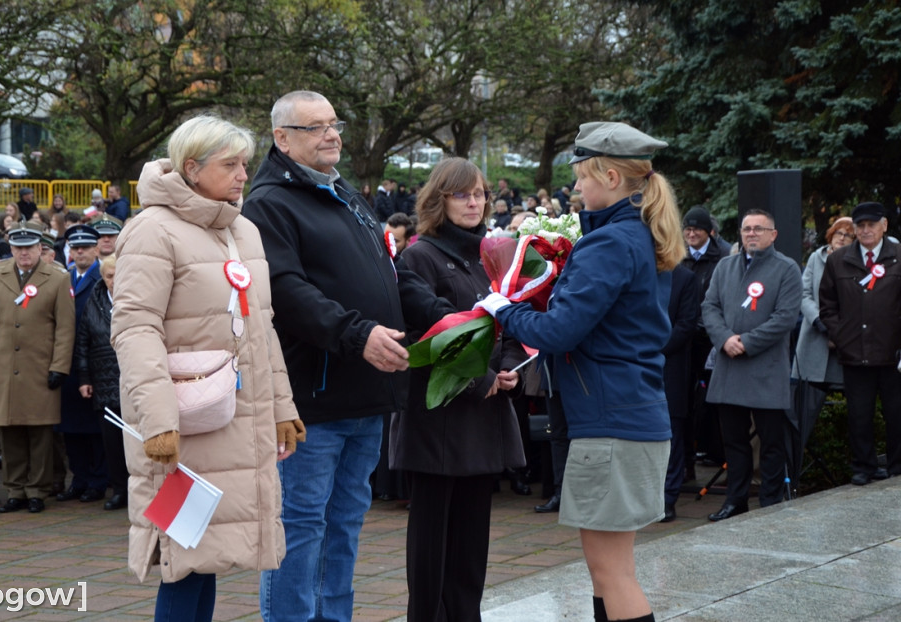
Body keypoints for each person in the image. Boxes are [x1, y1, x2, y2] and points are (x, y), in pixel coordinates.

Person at [242, 91, 451, 622]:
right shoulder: (269, 202)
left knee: (345, 526)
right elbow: (286, 293)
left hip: (367, 394)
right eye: (315, 127)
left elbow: (390, 275)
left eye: (334, 123)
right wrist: (357, 335)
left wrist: (452, 315)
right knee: (303, 527)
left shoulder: (345, 193)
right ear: (282, 139)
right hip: (314, 401)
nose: (331, 134)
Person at [475, 121, 683, 622]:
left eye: (582, 178)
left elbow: (561, 332)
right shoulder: (632, 235)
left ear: (611, 177)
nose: (576, 189)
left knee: (613, 573)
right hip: (627, 415)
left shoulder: (611, 242)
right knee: (608, 570)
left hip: (611, 421)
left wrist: (503, 308)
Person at [111, 114, 303, 622]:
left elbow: (262, 328)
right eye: (231, 164)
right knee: (182, 556)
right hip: (184, 423)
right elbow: (135, 330)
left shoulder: (242, 229)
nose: (244, 174)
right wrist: (158, 421)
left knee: (207, 557)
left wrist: (282, 407)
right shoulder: (151, 231)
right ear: (191, 168)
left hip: (236, 419)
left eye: (245, 162)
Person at [389, 158, 525, 621]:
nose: (474, 202)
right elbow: (428, 334)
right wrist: (481, 380)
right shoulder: (419, 256)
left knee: (472, 539)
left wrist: (510, 368)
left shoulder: (495, 254)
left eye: (480, 193)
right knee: (432, 541)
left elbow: (509, 320)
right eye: (462, 194)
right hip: (440, 415)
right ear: (439, 199)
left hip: (485, 413)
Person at [702, 209, 802, 520]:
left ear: (773, 234)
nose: (752, 234)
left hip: (765, 369)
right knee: (734, 443)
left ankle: (769, 504)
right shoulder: (725, 266)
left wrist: (747, 342)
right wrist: (724, 339)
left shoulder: (787, 269)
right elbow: (710, 306)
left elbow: (785, 317)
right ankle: (736, 501)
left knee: (771, 442)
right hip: (729, 367)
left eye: (759, 229)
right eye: (747, 229)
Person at [0, 221, 76, 514]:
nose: (24, 254)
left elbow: (65, 329)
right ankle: (15, 490)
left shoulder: (57, 278)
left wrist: (60, 366)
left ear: (40, 248)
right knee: (10, 432)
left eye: (29, 248)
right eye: (18, 248)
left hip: (40, 369)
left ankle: (38, 490)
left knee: (40, 434)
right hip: (5, 368)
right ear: (12, 249)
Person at [819, 202, 901, 484]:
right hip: (855, 352)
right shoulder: (838, 260)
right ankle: (864, 467)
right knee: (859, 414)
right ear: (854, 229)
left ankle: (897, 467)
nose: (866, 230)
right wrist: (841, 335)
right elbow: (827, 306)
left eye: (872, 224)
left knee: (897, 413)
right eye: (861, 225)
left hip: (894, 354)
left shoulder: (899, 256)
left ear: (884, 226)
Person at [56, 224, 108, 504]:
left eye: (85, 247)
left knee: (95, 426)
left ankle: (98, 479)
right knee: (71, 426)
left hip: (95, 361)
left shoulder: (105, 277)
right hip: (68, 360)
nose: (80, 252)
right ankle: (79, 478)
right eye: (75, 248)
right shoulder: (64, 278)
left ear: (96, 249)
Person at [75, 254, 127, 510]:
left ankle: (142, 492)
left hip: (133, 378)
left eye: (120, 275)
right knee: (112, 442)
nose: (115, 281)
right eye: (109, 276)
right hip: (104, 380)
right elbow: (83, 341)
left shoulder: (137, 299)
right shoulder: (93, 301)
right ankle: (119, 490)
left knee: (137, 441)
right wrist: (84, 377)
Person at [680, 205, 729, 475]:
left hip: (712, 339)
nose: (691, 233)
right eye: (687, 229)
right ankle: (686, 461)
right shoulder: (678, 256)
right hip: (685, 339)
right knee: (684, 402)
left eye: (696, 229)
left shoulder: (723, 256)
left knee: (713, 399)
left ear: (709, 231)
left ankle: (716, 452)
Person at [793, 217, 854, 388]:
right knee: (808, 400)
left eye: (848, 235)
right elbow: (803, 293)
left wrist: (836, 328)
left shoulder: (857, 263)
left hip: (845, 338)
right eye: (838, 232)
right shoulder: (815, 257)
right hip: (815, 333)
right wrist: (820, 320)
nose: (841, 238)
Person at [659, 264, 699, 522]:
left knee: (671, 434)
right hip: (636, 367)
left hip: (670, 366)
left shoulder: (685, 278)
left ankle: (667, 499)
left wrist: (653, 349)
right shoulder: (637, 272)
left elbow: (686, 324)